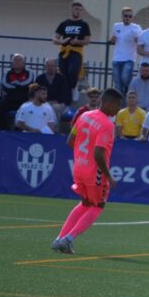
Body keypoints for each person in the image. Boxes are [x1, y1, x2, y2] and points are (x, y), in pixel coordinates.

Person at [51, 88, 123, 254]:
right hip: (94, 172)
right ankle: (68, 239)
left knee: (86, 203)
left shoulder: (84, 116)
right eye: (117, 105)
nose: (119, 109)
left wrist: (82, 154)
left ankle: (59, 239)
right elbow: (99, 153)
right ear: (108, 103)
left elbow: (70, 141)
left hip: (79, 168)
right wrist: (108, 176)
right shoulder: (106, 124)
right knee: (97, 206)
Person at [53, 1, 91, 103]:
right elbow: (54, 39)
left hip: (76, 51)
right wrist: (62, 41)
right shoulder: (64, 23)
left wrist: (77, 41)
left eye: (80, 10)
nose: (78, 12)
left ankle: (73, 88)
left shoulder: (84, 24)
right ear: (71, 9)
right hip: (64, 51)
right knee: (63, 73)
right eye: (76, 9)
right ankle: (66, 92)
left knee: (73, 71)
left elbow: (87, 41)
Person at [0, 53, 34, 130]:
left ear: (24, 63)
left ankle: (18, 130)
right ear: (12, 62)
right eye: (15, 60)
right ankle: (5, 130)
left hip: (24, 99)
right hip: (10, 98)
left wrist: (14, 84)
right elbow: (4, 85)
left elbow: (28, 84)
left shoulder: (30, 72)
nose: (17, 62)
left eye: (19, 60)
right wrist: (19, 85)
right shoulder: (7, 72)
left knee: (26, 111)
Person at [109, 6, 142, 95]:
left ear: (132, 18)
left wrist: (135, 38)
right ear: (122, 17)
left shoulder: (136, 27)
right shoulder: (117, 26)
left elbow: (140, 41)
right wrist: (111, 39)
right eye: (126, 16)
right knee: (117, 84)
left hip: (129, 57)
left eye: (130, 16)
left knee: (125, 77)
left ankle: (129, 91)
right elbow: (113, 39)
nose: (127, 18)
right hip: (117, 58)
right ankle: (121, 102)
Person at [36, 58, 71, 124]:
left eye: (52, 66)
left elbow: (65, 93)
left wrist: (57, 101)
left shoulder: (62, 78)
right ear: (45, 67)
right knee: (43, 107)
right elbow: (36, 92)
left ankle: (54, 130)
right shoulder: (40, 78)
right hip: (44, 102)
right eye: (48, 66)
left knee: (55, 108)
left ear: (56, 67)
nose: (50, 68)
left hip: (58, 103)